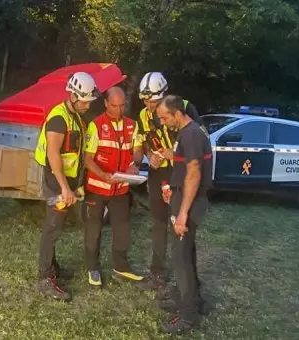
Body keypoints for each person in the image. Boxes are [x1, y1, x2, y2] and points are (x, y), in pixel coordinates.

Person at [132, 71, 202, 297]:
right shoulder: (143, 115)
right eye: (144, 100)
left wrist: (175, 155)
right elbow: (143, 141)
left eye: (152, 100)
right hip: (158, 175)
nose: (148, 105)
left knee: (181, 228)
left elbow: (198, 144)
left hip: (181, 175)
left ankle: (190, 285)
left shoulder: (185, 108)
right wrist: (149, 154)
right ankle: (157, 273)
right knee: (159, 224)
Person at [33, 71, 100, 301]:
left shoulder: (77, 118)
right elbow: (53, 153)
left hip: (68, 180)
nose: (88, 105)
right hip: (56, 180)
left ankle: (53, 269)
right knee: (53, 226)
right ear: (73, 96)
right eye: (85, 101)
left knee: (58, 224)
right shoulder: (59, 118)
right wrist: (64, 187)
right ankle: (44, 277)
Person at [153, 95, 213, 334]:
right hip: (184, 197)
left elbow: (194, 173)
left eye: (164, 117)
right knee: (186, 251)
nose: (163, 122)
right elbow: (186, 160)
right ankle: (191, 299)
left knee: (180, 258)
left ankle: (187, 314)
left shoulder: (191, 134)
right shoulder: (188, 133)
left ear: (177, 113)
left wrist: (182, 213)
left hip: (191, 201)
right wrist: (171, 155)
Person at [82, 86, 142, 288]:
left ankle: (121, 266)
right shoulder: (96, 125)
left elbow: (138, 150)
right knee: (94, 228)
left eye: (122, 105)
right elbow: (88, 159)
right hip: (97, 188)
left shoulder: (133, 126)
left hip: (121, 188)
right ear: (106, 103)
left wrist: (135, 164)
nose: (119, 110)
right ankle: (93, 267)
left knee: (122, 228)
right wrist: (103, 175)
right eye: (115, 106)